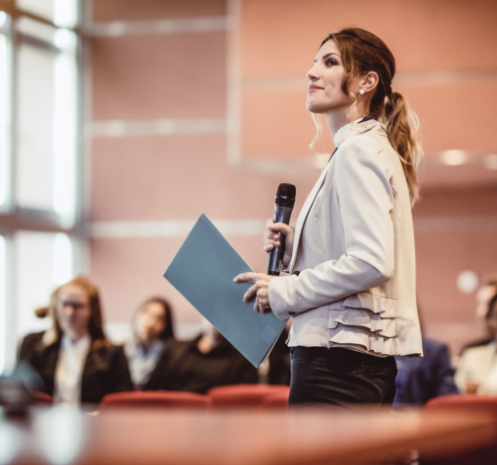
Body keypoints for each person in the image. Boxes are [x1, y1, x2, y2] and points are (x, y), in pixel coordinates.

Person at [234, 27, 423, 406]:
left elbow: (372, 261)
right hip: (347, 360)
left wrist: (284, 290)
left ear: (367, 82)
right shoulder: (365, 147)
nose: (312, 72)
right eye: (314, 62)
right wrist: (297, 250)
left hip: (337, 363)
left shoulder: (359, 151)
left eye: (330, 62)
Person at [26, 277, 133, 404]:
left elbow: (122, 404)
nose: (70, 312)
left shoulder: (112, 354)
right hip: (46, 421)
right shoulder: (36, 347)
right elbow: (22, 394)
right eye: (64, 304)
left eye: (78, 306)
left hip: (94, 423)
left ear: (92, 310)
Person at [143, 319, 257, 394]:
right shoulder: (174, 348)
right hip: (169, 419)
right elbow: (149, 392)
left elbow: (241, 405)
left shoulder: (245, 359)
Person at [124, 297, 175, 389]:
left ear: (166, 325)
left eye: (158, 318)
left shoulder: (172, 354)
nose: (150, 322)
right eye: (145, 312)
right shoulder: (120, 349)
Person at [394, 336, 457, 407]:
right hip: (381, 413)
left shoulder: (434, 349)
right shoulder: (381, 348)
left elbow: (447, 395)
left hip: (415, 413)